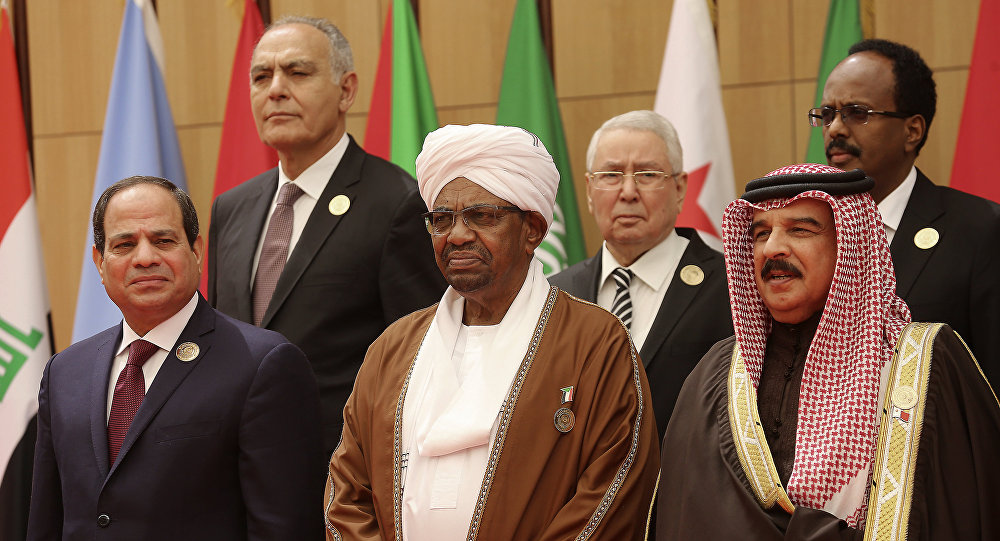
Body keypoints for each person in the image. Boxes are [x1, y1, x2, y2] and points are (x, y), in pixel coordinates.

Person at [325, 124, 659, 540]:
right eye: (441, 220)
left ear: (532, 229)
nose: (457, 236)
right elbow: (347, 493)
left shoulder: (596, 344)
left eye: (482, 216)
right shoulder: (392, 349)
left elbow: (611, 495)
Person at [657, 164, 1000, 539]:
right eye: (760, 234)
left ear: (851, 247)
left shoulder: (924, 364)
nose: (772, 248)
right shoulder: (715, 373)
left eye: (800, 230)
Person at [27, 177, 324, 540]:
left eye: (163, 241)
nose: (145, 258)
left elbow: (285, 528)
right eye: (124, 245)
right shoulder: (64, 372)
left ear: (196, 251)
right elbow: (46, 521)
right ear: (100, 262)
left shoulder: (263, 365)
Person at [207, 16, 446, 452]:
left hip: (343, 471)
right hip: (239, 467)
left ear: (346, 90)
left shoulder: (396, 203)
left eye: (297, 72)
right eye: (261, 77)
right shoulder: (231, 208)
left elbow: (421, 362)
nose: (276, 89)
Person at [814, 38, 1000, 384]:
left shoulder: (979, 231)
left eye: (857, 112)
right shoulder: (808, 232)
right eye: (827, 115)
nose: (835, 128)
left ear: (912, 131)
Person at [549, 110, 732, 440]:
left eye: (647, 174)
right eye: (611, 175)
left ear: (679, 188)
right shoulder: (553, 294)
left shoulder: (731, 287)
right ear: (589, 190)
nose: (628, 191)